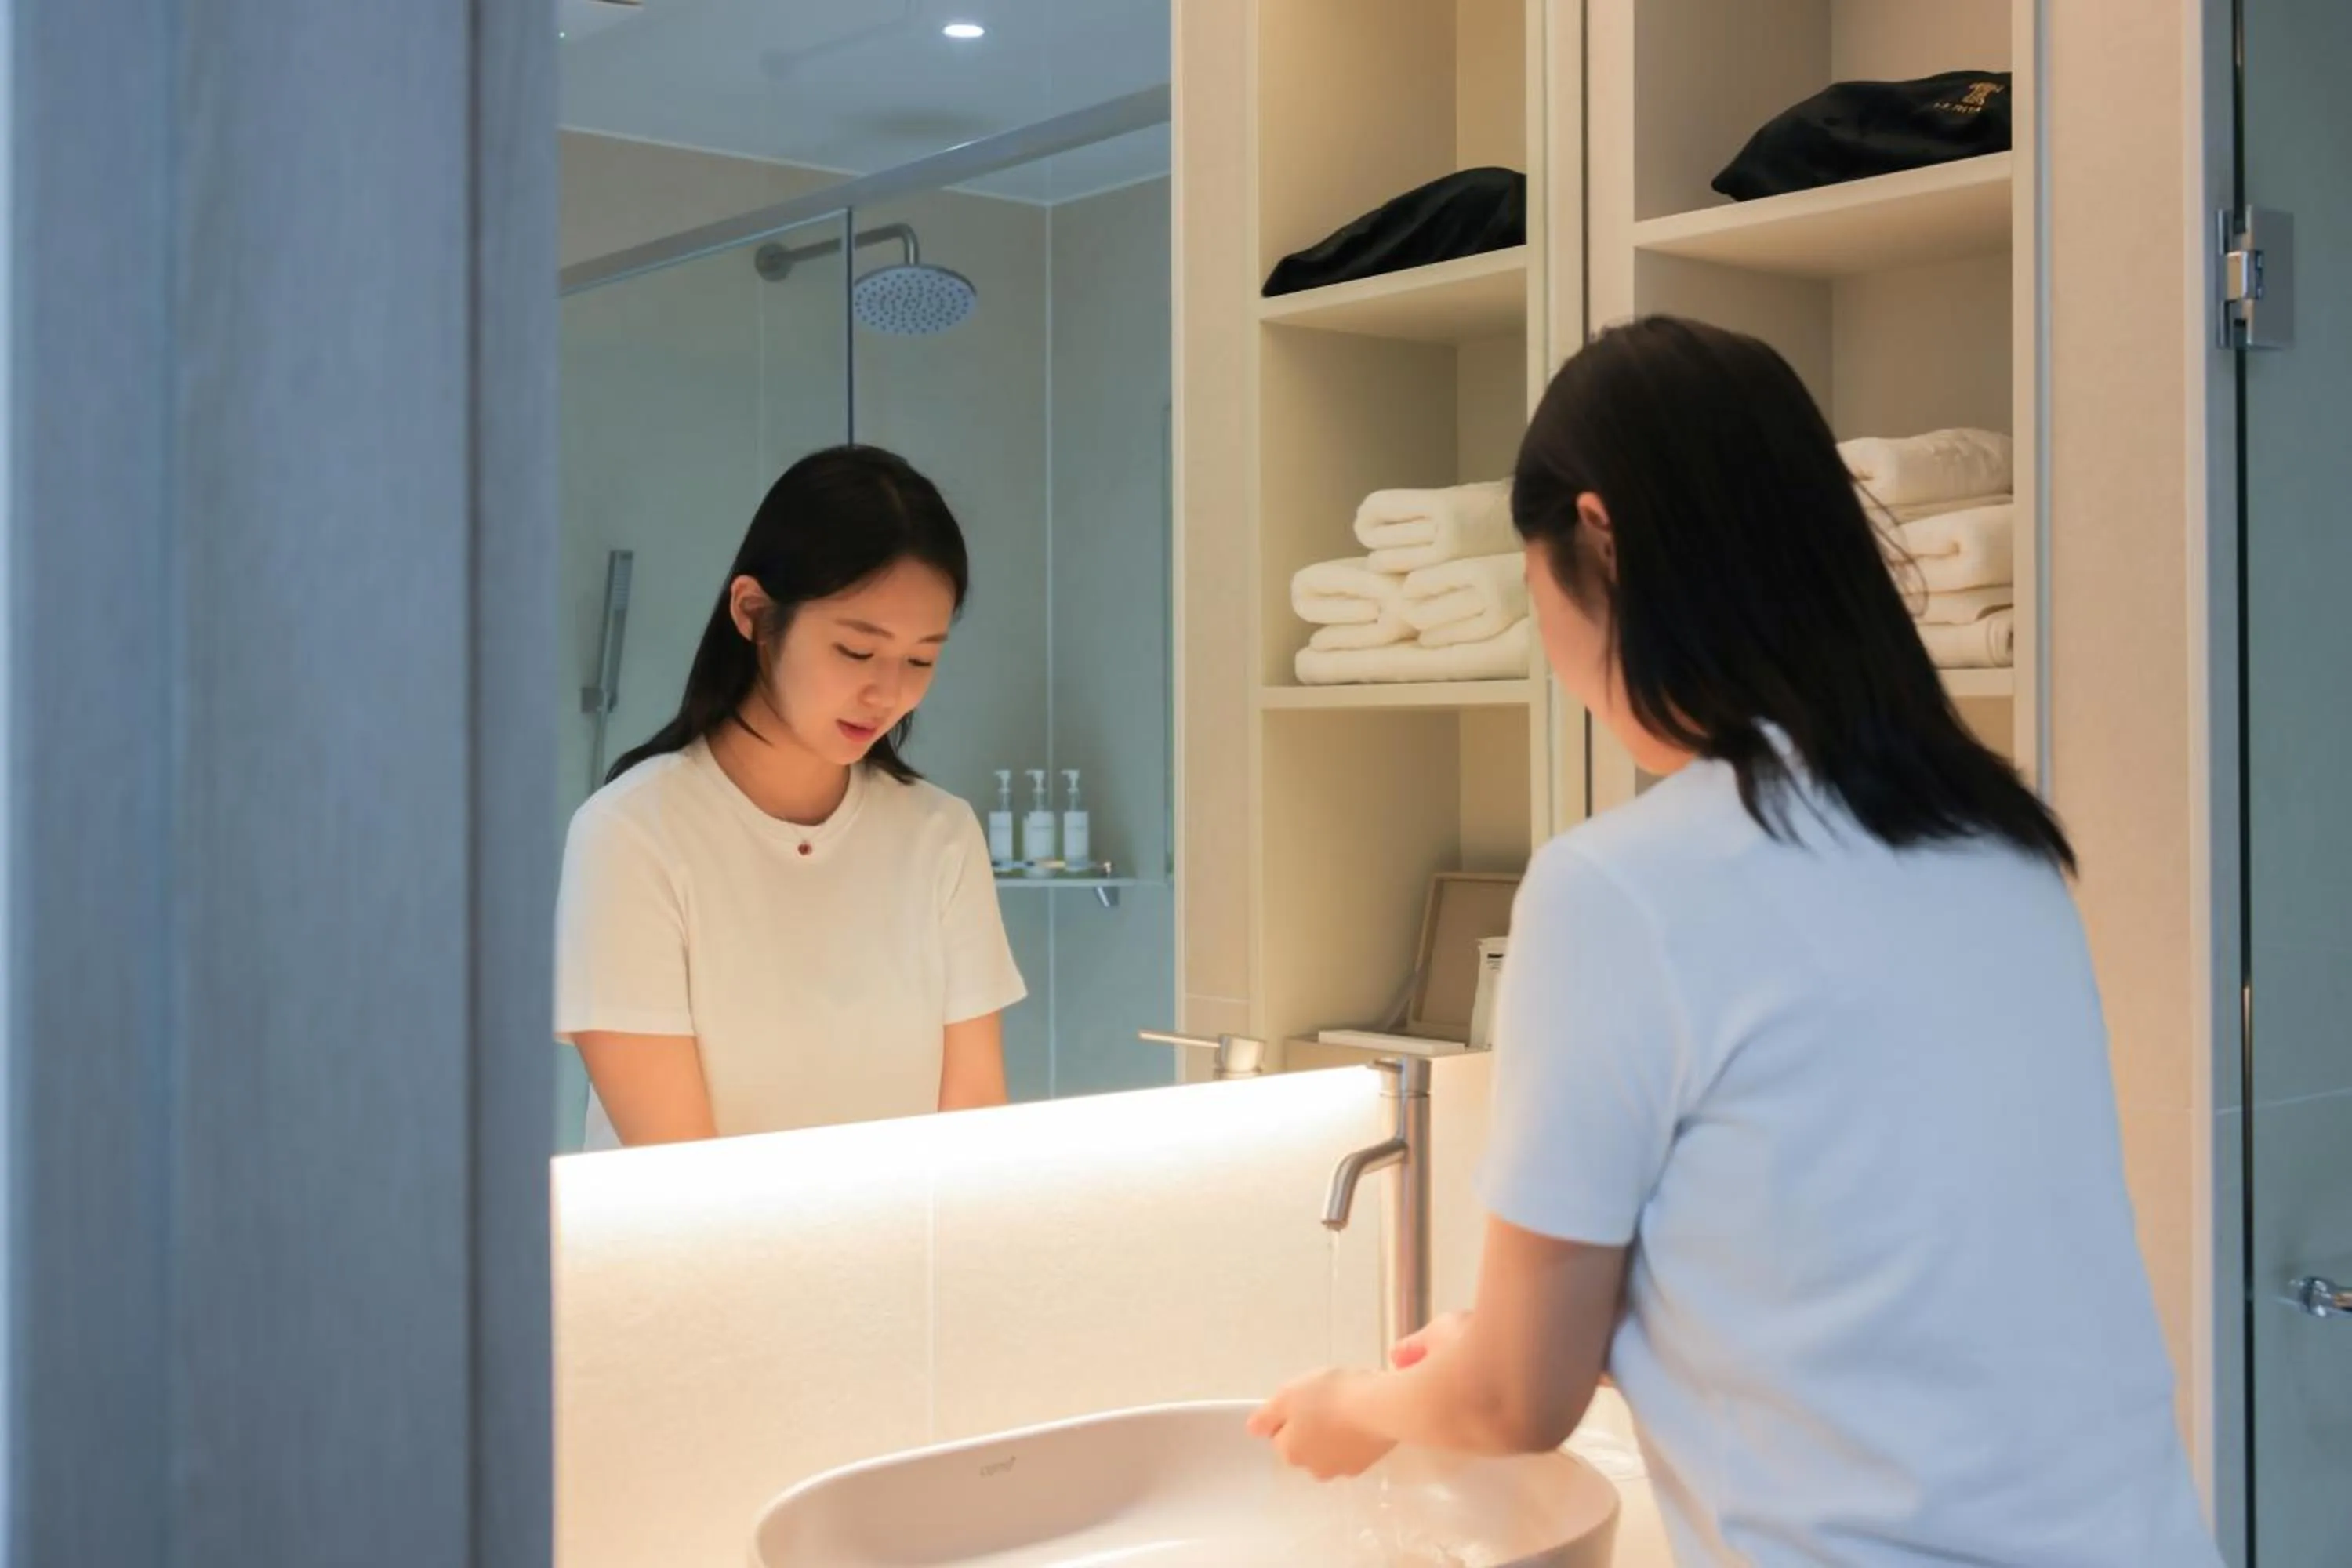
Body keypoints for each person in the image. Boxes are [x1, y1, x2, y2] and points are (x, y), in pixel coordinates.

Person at [1249, 318, 2220, 1565]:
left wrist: (1358, 1406)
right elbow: (1873, 1284)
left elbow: (1511, 1406)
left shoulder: (1618, 891)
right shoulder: (1997, 845)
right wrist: (1544, 1332)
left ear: (1594, 536)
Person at [554, 445, 1025, 1149]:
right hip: (696, 1256)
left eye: (922, 658)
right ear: (754, 613)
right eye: (857, 652)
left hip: (904, 1256)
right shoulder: (631, 836)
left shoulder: (941, 838)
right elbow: (677, 1165)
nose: (889, 692)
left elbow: (975, 1135)